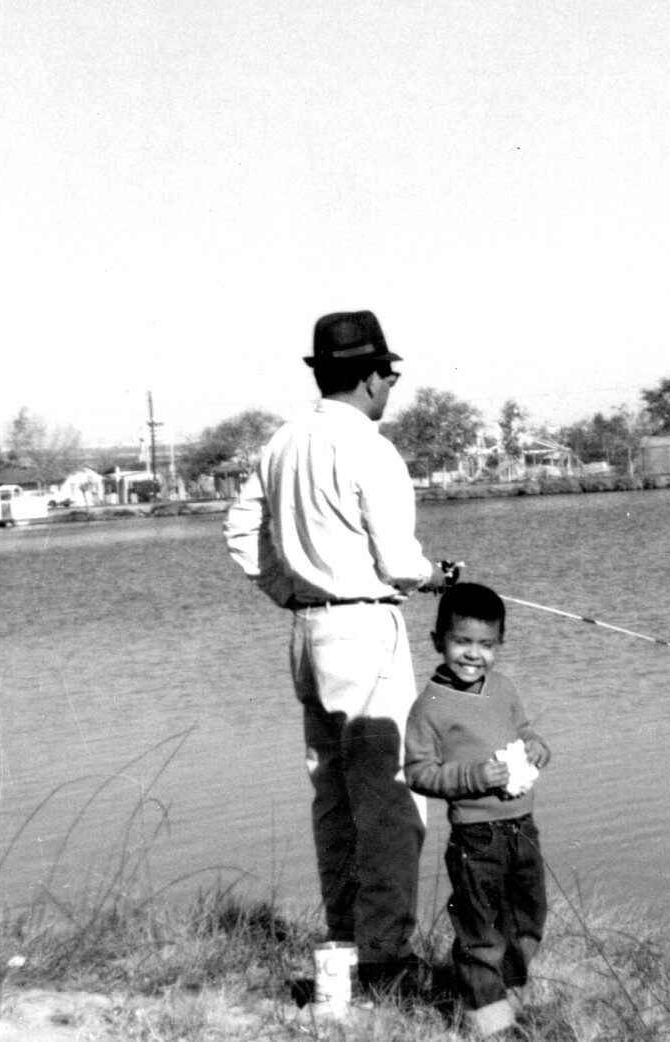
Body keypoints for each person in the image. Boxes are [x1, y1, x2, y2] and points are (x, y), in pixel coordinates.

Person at [223, 309, 447, 992]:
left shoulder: (282, 442)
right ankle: (383, 961)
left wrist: (286, 591)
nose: (392, 387)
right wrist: (437, 575)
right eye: (390, 374)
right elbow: (400, 560)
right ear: (371, 376)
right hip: (363, 630)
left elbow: (239, 531)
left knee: (335, 801)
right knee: (389, 800)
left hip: (308, 635)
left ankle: (346, 948)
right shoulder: (370, 447)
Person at [404, 582, 551, 1038]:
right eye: (461, 642)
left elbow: (522, 728)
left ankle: (496, 992)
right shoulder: (429, 705)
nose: (473, 654)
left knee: (528, 917)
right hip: (475, 838)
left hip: (522, 828)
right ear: (437, 642)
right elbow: (419, 773)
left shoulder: (503, 688)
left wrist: (536, 745)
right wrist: (473, 778)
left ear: (499, 645)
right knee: (481, 930)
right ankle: (490, 1021)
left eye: (486, 645)